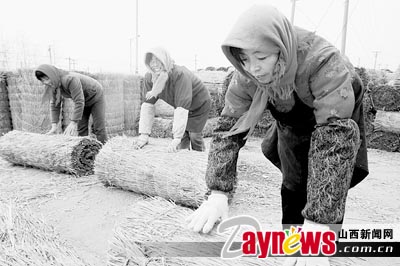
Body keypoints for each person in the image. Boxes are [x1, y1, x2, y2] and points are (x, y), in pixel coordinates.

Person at [186, 5, 368, 265]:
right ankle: (292, 245)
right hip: (292, 120)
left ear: (280, 49)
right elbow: (228, 129)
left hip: (337, 113)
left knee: (330, 181)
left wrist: (319, 222)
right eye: (245, 59)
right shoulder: (246, 76)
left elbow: (334, 142)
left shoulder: (322, 61)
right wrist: (218, 192)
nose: (254, 68)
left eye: (261, 57)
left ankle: (324, 245)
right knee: (294, 182)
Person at [135, 47, 211, 152]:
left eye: (158, 60)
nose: (155, 64)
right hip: (182, 106)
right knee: (183, 136)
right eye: (152, 61)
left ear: (165, 60)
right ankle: (183, 159)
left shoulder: (180, 75)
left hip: (199, 104)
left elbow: (182, 107)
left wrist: (176, 138)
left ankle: (199, 158)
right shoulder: (150, 78)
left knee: (194, 135)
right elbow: (147, 105)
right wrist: (144, 134)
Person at [35, 64, 107, 144]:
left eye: (47, 78)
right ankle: (84, 151)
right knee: (81, 128)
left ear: (52, 74)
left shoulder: (69, 79)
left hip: (95, 96)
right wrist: (54, 125)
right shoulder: (53, 85)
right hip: (83, 100)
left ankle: (103, 151)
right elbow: (55, 104)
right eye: (43, 80)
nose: (46, 82)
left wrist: (73, 122)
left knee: (99, 128)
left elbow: (79, 101)